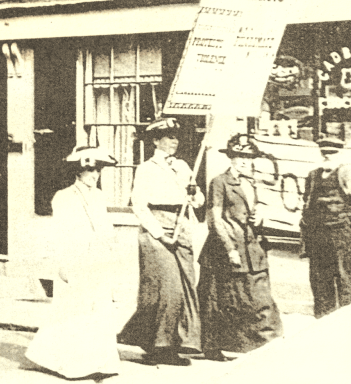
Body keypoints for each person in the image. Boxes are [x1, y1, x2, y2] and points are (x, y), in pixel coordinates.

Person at [25, 146, 121, 380]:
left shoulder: (99, 196)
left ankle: (101, 363)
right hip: (75, 257)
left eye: (97, 170)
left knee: (99, 310)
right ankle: (73, 365)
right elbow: (61, 232)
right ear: (77, 172)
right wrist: (63, 263)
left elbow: (105, 228)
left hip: (97, 258)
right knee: (73, 311)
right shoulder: (64, 196)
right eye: (89, 170)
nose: (94, 175)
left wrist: (111, 247)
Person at [118, 118, 204, 366]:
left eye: (176, 137)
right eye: (168, 136)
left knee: (187, 287)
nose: (173, 141)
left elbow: (197, 201)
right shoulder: (147, 168)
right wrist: (159, 233)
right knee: (168, 289)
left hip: (181, 227)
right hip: (156, 230)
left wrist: (194, 194)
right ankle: (159, 346)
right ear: (156, 140)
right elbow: (139, 204)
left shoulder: (184, 166)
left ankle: (179, 343)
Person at [197, 134, 283, 361]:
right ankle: (212, 347)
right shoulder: (219, 181)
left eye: (248, 157)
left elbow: (255, 209)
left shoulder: (252, 182)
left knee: (258, 297)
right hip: (225, 249)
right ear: (231, 158)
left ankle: (264, 346)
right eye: (239, 156)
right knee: (218, 300)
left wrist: (261, 215)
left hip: (252, 248)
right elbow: (215, 218)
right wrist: (230, 248)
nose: (244, 161)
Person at [300, 137, 351, 318]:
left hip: (341, 235)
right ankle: (322, 319)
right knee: (319, 279)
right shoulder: (313, 175)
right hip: (317, 236)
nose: (328, 157)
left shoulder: (348, 174)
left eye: (332, 153)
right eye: (325, 153)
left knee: (344, 277)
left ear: (340, 154)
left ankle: (348, 323)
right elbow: (307, 203)